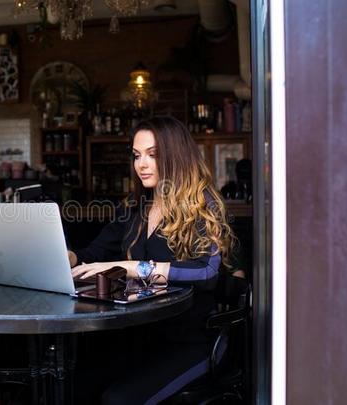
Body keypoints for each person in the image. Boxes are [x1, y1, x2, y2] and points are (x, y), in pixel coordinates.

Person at [68, 116, 235, 404]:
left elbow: (207, 272)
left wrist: (133, 268)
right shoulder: (135, 207)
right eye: (136, 155)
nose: (141, 164)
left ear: (175, 156)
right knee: (75, 387)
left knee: (118, 399)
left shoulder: (203, 204)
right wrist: (67, 256)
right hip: (141, 336)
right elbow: (92, 255)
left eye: (152, 155)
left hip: (192, 342)